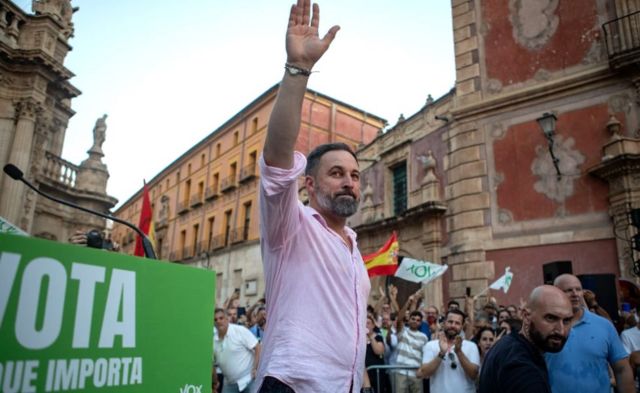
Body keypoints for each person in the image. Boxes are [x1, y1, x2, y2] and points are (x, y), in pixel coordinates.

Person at [254, 1, 370, 391]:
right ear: (309, 185)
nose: (349, 182)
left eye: (355, 175)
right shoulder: (291, 226)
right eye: (336, 173)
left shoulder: (354, 246)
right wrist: (298, 70)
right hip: (292, 383)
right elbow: (276, 159)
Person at [545, 274, 634, 393]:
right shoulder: (545, 327)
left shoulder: (604, 325)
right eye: (568, 290)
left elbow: (622, 369)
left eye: (578, 289)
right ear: (555, 294)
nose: (575, 294)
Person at [478, 285, 574, 393]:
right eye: (551, 318)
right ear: (526, 316)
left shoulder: (508, 345)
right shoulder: (522, 368)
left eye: (566, 321)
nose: (561, 330)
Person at [418, 309, 480, 393]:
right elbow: (424, 373)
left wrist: (459, 352)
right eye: (450, 322)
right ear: (444, 323)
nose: (453, 325)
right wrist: (441, 353)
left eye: (457, 323)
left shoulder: (471, 346)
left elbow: (474, 375)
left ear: (462, 326)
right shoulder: (431, 345)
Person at [213, 309, 261, 393]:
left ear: (227, 319)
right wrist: (215, 383)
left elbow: (257, 347)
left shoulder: (239, 330)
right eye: (215, 319)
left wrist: (255, 368)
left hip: (249, 380)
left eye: (221, 318)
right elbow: (212, 364)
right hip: (229, 384)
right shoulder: (213, 340)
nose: (218, 321)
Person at [393, 294, 429, 393]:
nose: (415, 321)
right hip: (400, 372)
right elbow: (399, 318)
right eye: (413, 319)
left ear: (421, 323)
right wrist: (408, 302)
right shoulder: (403, 331)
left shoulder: (424, 337)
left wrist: (422, 370)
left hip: (416, 373)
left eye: (418, 320)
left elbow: (425, 355)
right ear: (409, 320)